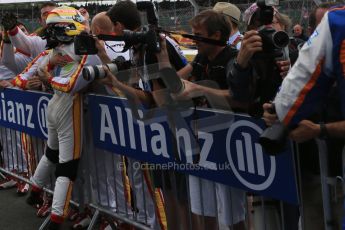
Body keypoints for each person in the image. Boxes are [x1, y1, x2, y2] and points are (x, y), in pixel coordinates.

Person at [25, 6, 102, 230]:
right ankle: (57, 217)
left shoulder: (59, 48)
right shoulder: (81, 46)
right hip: (68, 105)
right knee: (68, 165)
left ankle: (35, 190)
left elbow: (39, 68)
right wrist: (50, 77)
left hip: (55, 105)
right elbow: (70, 85)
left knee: (51, 152)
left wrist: (48, 73)